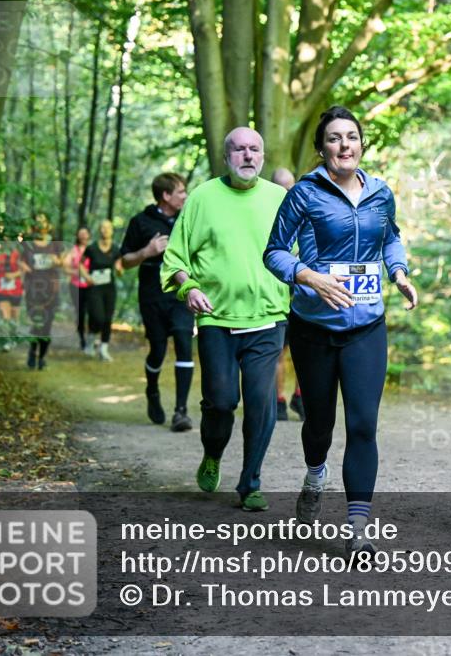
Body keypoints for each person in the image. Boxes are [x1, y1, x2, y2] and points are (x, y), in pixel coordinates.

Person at [265, 106, 417, 555]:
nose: (344, 145)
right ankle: (315, 473)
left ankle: (358, 526)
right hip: (313, 325)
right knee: (319, 424)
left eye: (351, 137)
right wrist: (308, 276)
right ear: (322, 148)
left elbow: (390, 237)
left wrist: (400, 272)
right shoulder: (304, 194)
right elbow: (274, 252)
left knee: (364, 424)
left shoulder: (380, 193)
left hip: (367, 323)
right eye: (334, 138)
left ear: (362, 145)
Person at [162, 127, 290, 512]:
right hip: (216, 319)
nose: (247, 156)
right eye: (239, 150)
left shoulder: (280, 198)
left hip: (268, 319)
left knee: (260, 403)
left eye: (254, 149)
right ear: (226, 157)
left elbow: (301, 253)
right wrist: (189, 288)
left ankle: (250, 481)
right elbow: (176, 257)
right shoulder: (202, 198)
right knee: (221, 402)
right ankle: (212, 453)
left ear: (263, 157)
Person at [121, 173, 194, 432]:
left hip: (182, 294)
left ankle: (181, 412)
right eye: (181, 192)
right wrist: (146, 252)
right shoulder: (140, 222)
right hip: (152, 295)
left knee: (185, 344)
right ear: (166, 196)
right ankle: (152, 390)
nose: (185, 196)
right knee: (158, 350)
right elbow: (125, 261)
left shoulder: (189, 220)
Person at [270, 167, 305, 422]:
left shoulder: (304, 212)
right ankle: (278, 399)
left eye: (290, 187)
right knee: (278, 353)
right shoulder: (267, 214)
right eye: (281, 187)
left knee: (305, 351)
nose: (286, 192)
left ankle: (300, 397)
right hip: (276, 296)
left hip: (303, 295)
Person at [22, 214, 62, 369]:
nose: (40, 223)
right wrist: (24, 267)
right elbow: (20, 260)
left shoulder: (55, 243)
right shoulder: (27, 244)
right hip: (32, 288)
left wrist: (55, 260)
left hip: (50, 289)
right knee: (36, 322)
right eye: (36, 220)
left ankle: (42, 357)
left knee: (47, 324)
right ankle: (32, 353)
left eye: (43, 220)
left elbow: (62, 262)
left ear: (48, 224)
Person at [80, 220, 123, 362]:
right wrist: (86, 277)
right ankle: (91, 340)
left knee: (108, 319)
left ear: (112, 231)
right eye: (102, 228)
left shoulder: (116, 249)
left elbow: (120, 267)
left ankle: (104, 349)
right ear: (99, 230)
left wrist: (119, 270)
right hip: (94, 287)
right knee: (98, 317)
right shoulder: (92, 248)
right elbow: (80, 264)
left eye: (107, 228)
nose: (105, 230)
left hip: (109, 288)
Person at [64, 227, 92, 354]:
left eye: (85, 233)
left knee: (93, 312)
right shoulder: (73, 251)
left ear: (89, 235)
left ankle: (92, 336)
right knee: (81, 312)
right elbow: (65, 267)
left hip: (91, 286)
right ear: (78, 236)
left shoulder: (92, 249)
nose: (83, 236)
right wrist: (76, 272)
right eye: (81, 234)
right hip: (76, 286)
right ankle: (82, 339)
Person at [0, 242, 24, 323]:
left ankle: (13, 334)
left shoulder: (18, 253)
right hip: (0, 289)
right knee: (5, 318)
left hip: (16, 290)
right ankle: (4, 334)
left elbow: (25, 269)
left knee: (14, 320)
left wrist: (13, 275)